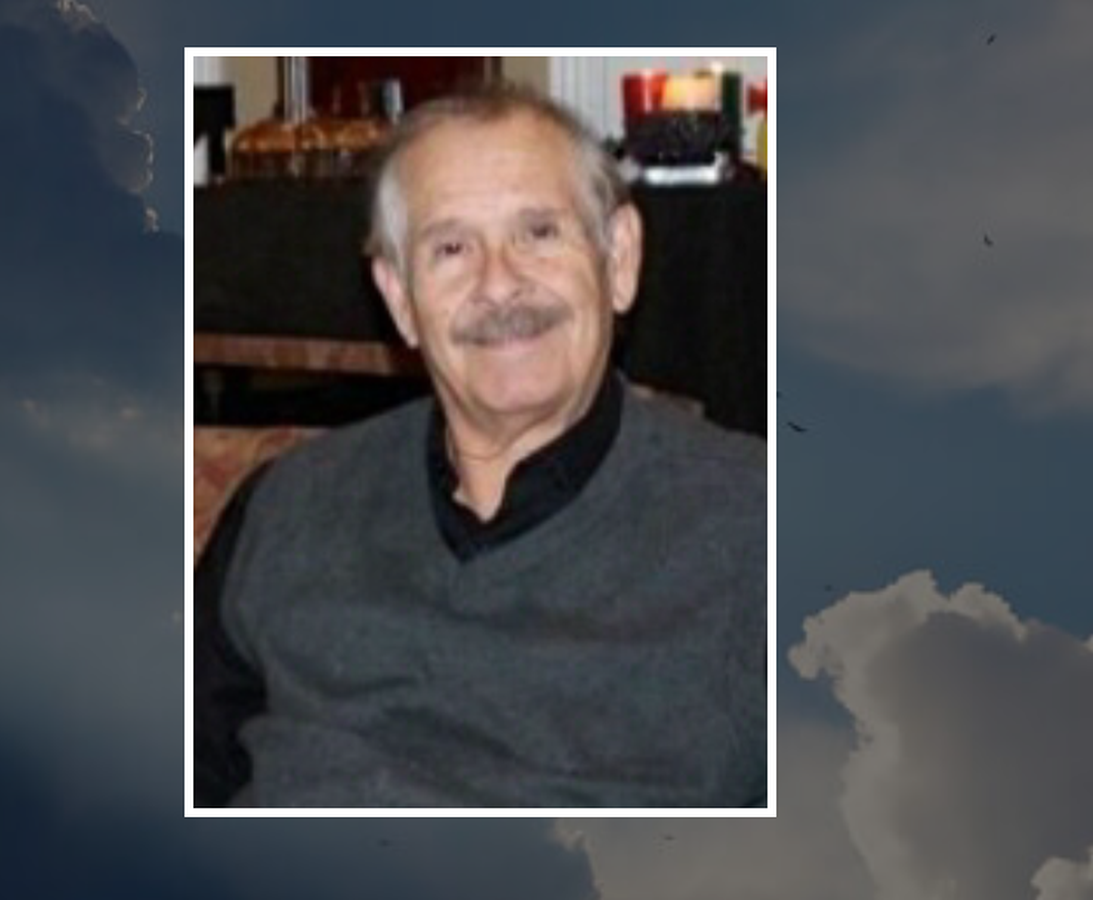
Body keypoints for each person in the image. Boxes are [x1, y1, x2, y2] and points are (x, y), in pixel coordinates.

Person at [194, 83, 767, 808]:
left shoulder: (764, 534)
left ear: (619, 258)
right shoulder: (286, 510)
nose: (500, 284)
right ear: (399, 297)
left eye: (539, 233)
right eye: (452, 248)